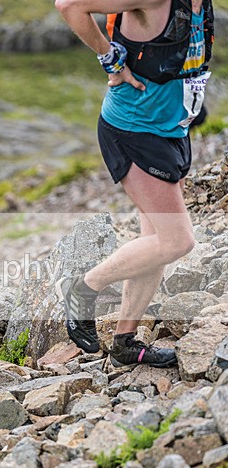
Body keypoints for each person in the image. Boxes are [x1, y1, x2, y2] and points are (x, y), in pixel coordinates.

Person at [55, 0, 213, 367]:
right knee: (177, 241)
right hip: (134, 130)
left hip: (170, 127)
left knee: (154, 241)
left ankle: (125, 342)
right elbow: (69, 5)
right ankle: (82, 287)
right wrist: (111, 59)